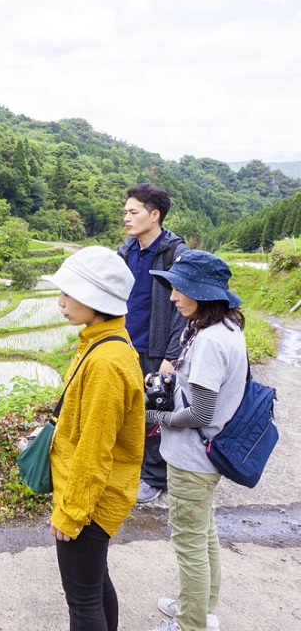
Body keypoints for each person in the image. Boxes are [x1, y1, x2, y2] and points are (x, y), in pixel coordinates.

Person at [41, 246, 146, 631]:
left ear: (95, 299)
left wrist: (71, 513)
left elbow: (95, 448)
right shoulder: (103, 342)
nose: (61, 301)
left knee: (82, 601)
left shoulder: (105, 363)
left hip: (89, 499)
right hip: (90, 491)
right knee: (95, 585)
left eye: (69, 293)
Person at [146, 250, 247, 631]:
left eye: (180, 288)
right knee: (203, 535)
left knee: (189, 543)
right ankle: (202, 609)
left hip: (192, 459)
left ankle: (190, 624)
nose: (173, 296)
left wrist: (156, 417)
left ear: (202, 294)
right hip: (205, 457)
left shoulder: (208, 342)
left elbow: (200, 414)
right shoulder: (225, 330)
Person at [117, 183, 190, 504]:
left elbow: (183, 312)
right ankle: (132, 468)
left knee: (156, 413)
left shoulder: (176, 254)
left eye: (133, 212)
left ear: (154, 215)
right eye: (125, 212)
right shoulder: (126, 251)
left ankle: (154, 478)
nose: (127, 218)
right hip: (124, 345)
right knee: (126, 413)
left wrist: (171, 358)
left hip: (157, 349)